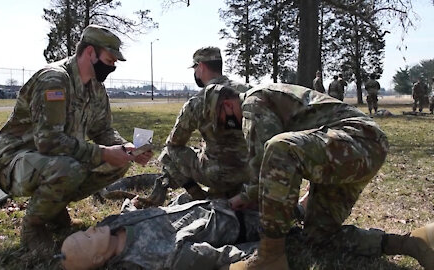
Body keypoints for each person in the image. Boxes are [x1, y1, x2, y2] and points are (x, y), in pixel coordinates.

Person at [201, 83, 434, 270]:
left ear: (228, 105)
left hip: (358, 139)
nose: (227, 126)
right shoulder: (265, 98)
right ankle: (412, 242)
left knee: (279, 147)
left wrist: (245, 197)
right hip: (357, 149)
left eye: (221, 121)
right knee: (318, 238)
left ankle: (270, 256)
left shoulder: (253, 101)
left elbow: (266, 159)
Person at [0, 25, 153, 250]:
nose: (113, 66)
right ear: (89, 53)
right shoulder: (54, 81)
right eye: (110, 59)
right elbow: (48, 142)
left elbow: (103, 130)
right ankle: (33, 226)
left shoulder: (96, 88)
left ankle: (54, 210)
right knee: (70, 168)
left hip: (51, 159)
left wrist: (126, 148)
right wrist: (103, 153)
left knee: (116, 164)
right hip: (13, 161)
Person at [151, 46, 251, 205]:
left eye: (195, 68)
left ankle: (200, 198)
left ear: (201, 67)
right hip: (250, 172)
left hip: (217, 174)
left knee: (168, 152)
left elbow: (175, 142)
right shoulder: (248, 92)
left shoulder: (197, 101)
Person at [60, 199, 260, 270]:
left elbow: (130, 216)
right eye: (87, 237)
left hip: (215, 200)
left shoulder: (110, 225)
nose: (90, 229)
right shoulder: (155, 256)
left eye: (84, 231)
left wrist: (131, 205)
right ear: (97, 258)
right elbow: (219, 256)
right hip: (239, 222)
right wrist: (265, 250)